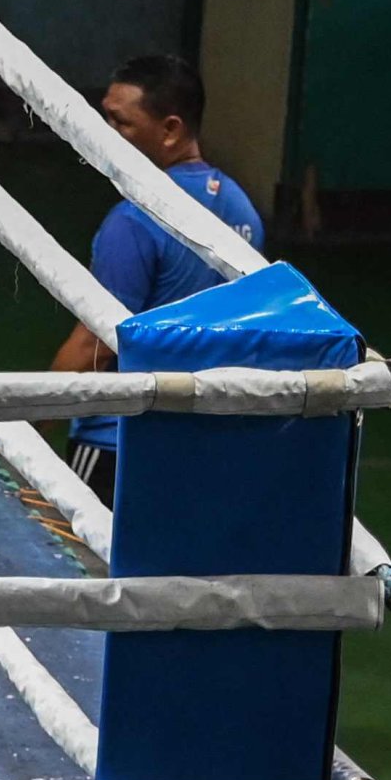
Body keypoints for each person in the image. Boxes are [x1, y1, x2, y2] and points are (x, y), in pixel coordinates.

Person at [47, 51, 268, 502]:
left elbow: (97, 342)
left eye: (121, 123)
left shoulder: (134, 221)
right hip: (201, 438)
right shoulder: (241, 209)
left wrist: (26, 420)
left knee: (96, 567)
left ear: (170, 130)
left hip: (118, 443)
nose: (104, 136)